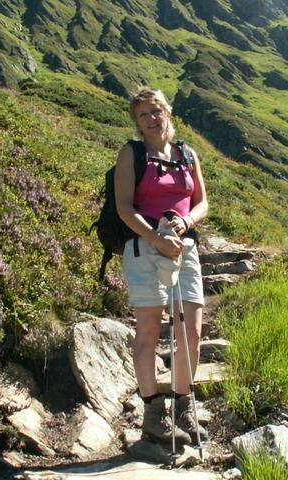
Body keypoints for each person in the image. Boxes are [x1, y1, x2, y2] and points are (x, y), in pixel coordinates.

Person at [114, 87, 209, 445]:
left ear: (168, 112)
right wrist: (156, 238)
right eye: (144, 114)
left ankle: (184, 405)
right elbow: (124, 207)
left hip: (184, 248)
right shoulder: (132, 154)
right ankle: (153, 414)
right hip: (144, 248)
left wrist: (187, 222)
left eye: (156, 111)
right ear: (137, 123)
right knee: (149, 331)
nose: (152, 119)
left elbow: (202, 203)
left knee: (191, 332)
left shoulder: (187, 154)